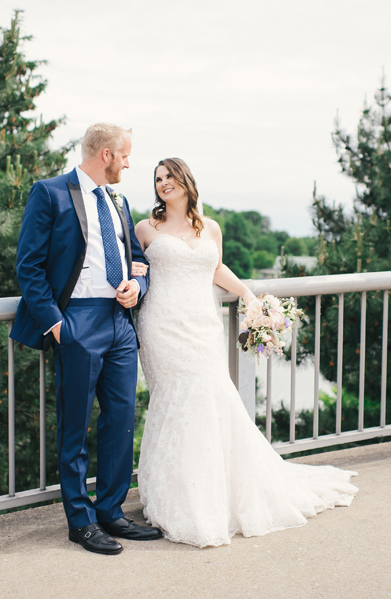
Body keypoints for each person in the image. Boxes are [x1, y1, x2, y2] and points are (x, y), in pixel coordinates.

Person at [133, 158, 358, 548]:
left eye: (169, 176)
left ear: (186, 180)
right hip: (162, 327)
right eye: (157, 179)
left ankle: (220, 494)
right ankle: (182, 498)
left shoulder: (211, 228)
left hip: (203, 325)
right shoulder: (144, 229)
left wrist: (248, 294)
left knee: (213, 399)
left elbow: (215, 269)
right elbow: (134, 270)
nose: (163, 183)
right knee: (176, 402)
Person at [10, 123, 162, 556]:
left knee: (120, 419)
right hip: (77, 320)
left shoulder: (118, 199)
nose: (130, 164)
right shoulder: (50, 192)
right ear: (108, 155)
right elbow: (29, 267)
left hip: (119, 321)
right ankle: (80, 521)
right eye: (126, 156)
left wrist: (138, 287)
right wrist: (57, 324)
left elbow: (135, 257)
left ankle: (111, 511)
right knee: (74, 425)